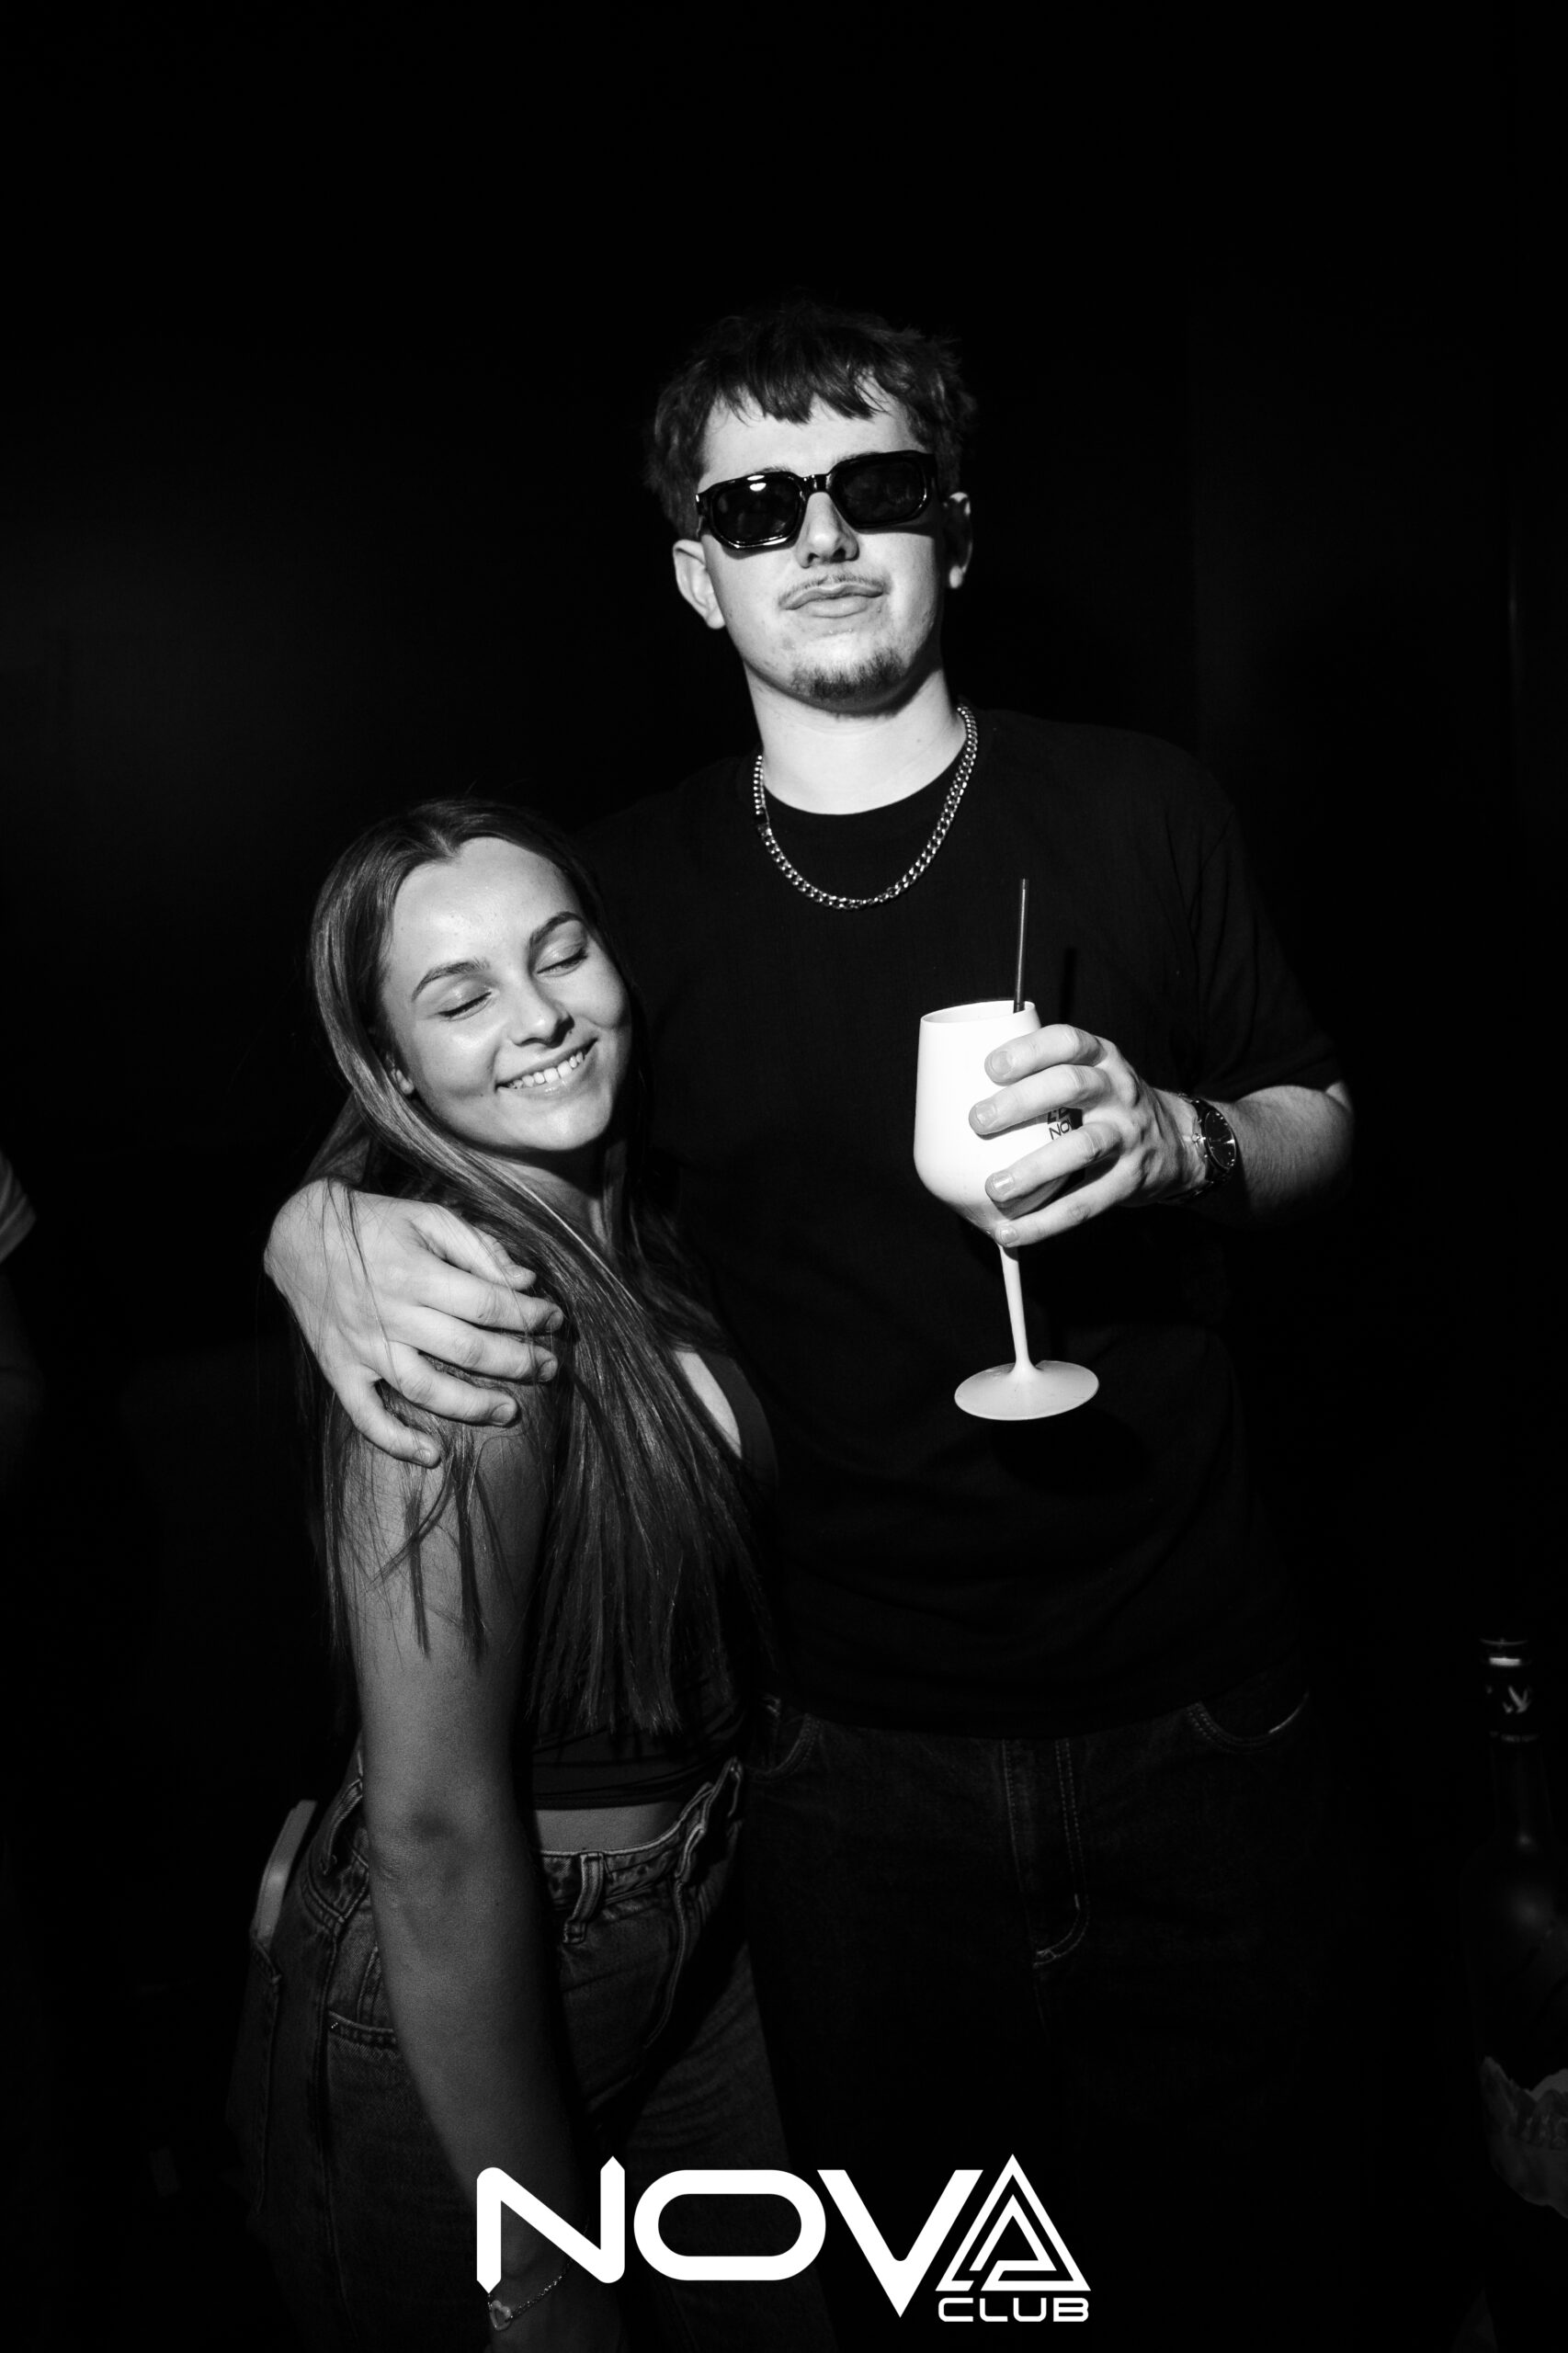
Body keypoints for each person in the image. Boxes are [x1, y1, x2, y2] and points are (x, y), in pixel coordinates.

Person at [267, 301, 1358, 2349]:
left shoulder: (1142, 805)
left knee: (1243, 2274)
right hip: (848, 1761)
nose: (824, 538)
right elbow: (472, 1100)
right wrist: (307, 1223)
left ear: (956, 525)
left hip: (1202, 1711)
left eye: (875, 485)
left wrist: (1182, 1138)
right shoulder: (625, 895)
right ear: (699, 573)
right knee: (951, 2300)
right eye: (757, 506)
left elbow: (1317, 1110)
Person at [234, 801, 835, 2353]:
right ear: (390, 1069)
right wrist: (540, 2267)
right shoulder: (458, 1315)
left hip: (704, 1916)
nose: (541, 1015)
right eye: (462, 997)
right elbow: (434, 1829)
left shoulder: (646, 1216)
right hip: (486, 1969)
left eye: (559, 953)